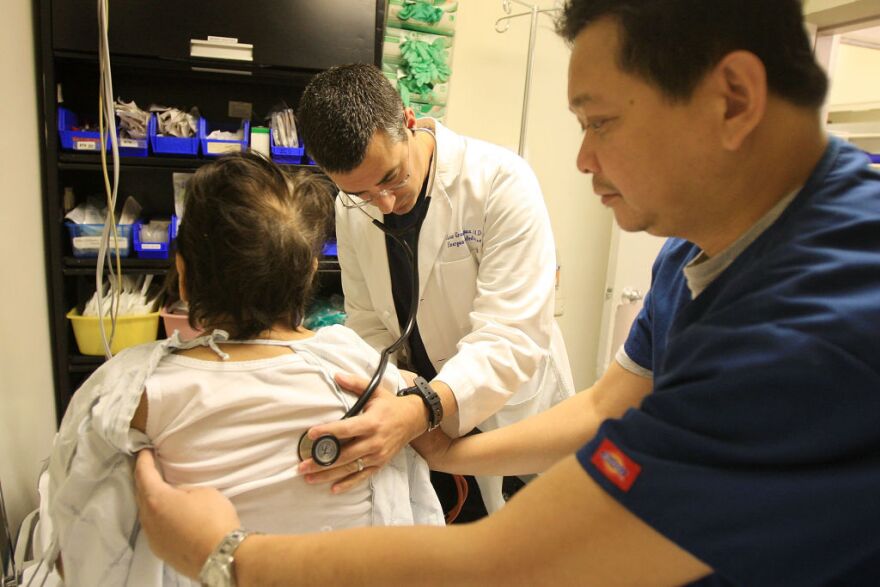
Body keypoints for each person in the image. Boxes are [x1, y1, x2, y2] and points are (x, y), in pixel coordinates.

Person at [134, 0, 880, 584]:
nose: (583, 158)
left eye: (601, 122)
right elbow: (602, 406)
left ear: (733, 98)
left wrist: (227, 556)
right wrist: (436, 442)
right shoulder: (693, 251)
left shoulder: (821, 315)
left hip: (509, 416)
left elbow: (505, 562)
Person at [41, 152, 443, 586]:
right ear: (309, 272)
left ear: (182, 273)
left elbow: (80, 551)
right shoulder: (355, 365)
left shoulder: (130, 395)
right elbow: (421, 456)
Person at [294, 63, 575, 517]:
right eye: (361, 193)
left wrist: (423, 406)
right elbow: (367, 322)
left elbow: (511, 335)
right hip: (425, 415)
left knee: (535, 538)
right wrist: (388, 385)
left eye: (390, 178)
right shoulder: (348, 210)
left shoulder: (499, 181)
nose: (383, 203)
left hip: (511, 410)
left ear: (407, 121)